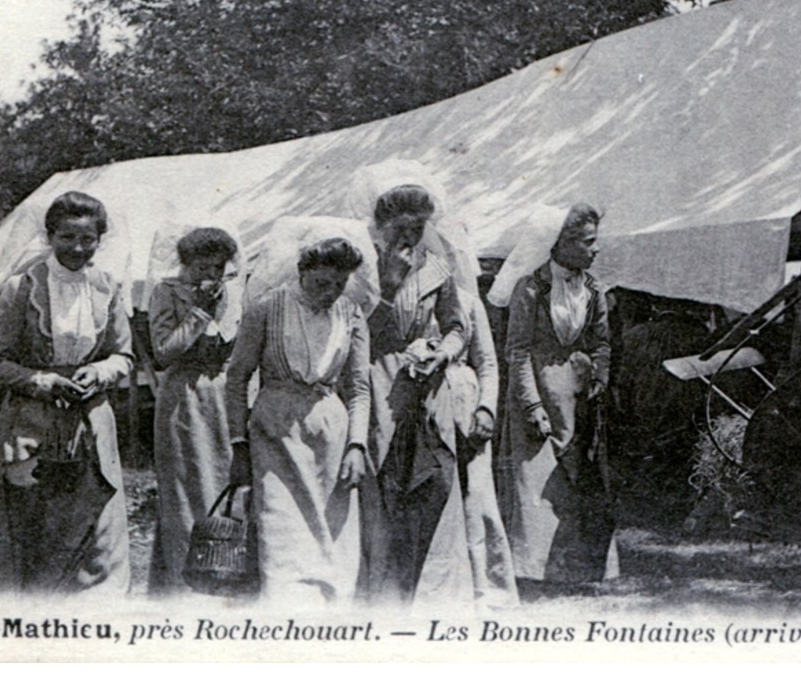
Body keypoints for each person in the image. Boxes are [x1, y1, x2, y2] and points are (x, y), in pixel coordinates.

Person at [349, 163, 516, 608]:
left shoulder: (438, 266)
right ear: (380, 227)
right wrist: (387, 285)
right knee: (383, 487)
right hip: (379, 383)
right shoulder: (361, 269)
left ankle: (436, 596)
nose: (410, 237)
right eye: (401, 228)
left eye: (418, 227)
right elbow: (358, 333)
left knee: (433, 484)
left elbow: (458, 327)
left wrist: (443, 350)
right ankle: (382, 595)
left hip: (429, 386)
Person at [0, 191, 134, 593]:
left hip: (91, 422)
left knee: (94, 529)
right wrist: (43, 381)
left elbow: (124, 355)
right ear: (50, 237)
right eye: (67, 238)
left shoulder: (106, 287)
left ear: (101, 239)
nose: (78, 248)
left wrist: (99, 372)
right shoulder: (21, 288)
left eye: (88, 239)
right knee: (34, 525)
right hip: (30, 422)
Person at [225, 236, 371, 604]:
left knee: (333, 532)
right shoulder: (267, 308)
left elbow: (358, 388)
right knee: (281, 527)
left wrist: (356, 444)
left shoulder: (351, 314)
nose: (331, 293)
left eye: (339, 285)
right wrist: (239, 442)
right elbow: (237, 377)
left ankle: (329, 615)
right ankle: (284, 615)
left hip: (332, 434)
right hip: (276, 429)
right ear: (302, 272)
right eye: (322, 283)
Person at [495, 203, 619, 589]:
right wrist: (531, 403)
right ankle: (535, 570)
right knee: (537, 480)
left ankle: (581, 568)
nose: (594, 250)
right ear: (560, 242)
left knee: (581, 478)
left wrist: (599, 375)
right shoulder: (531, 289)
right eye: (587, 242)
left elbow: (601, 342)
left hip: (579, 396)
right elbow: (517, 350)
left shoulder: (595, 289)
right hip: (538, 389)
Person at [147, 227, 240, 595]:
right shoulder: (166, 292)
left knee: (222, 488)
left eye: (218, 268)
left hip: (221, 399)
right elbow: (163, 352)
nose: (210, 276)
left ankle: (222, 577)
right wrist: (199, 312)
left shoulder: (232, 294)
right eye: (202, 267)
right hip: (183, 399)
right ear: (186, 264)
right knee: (185, 492)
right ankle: (180, 589)